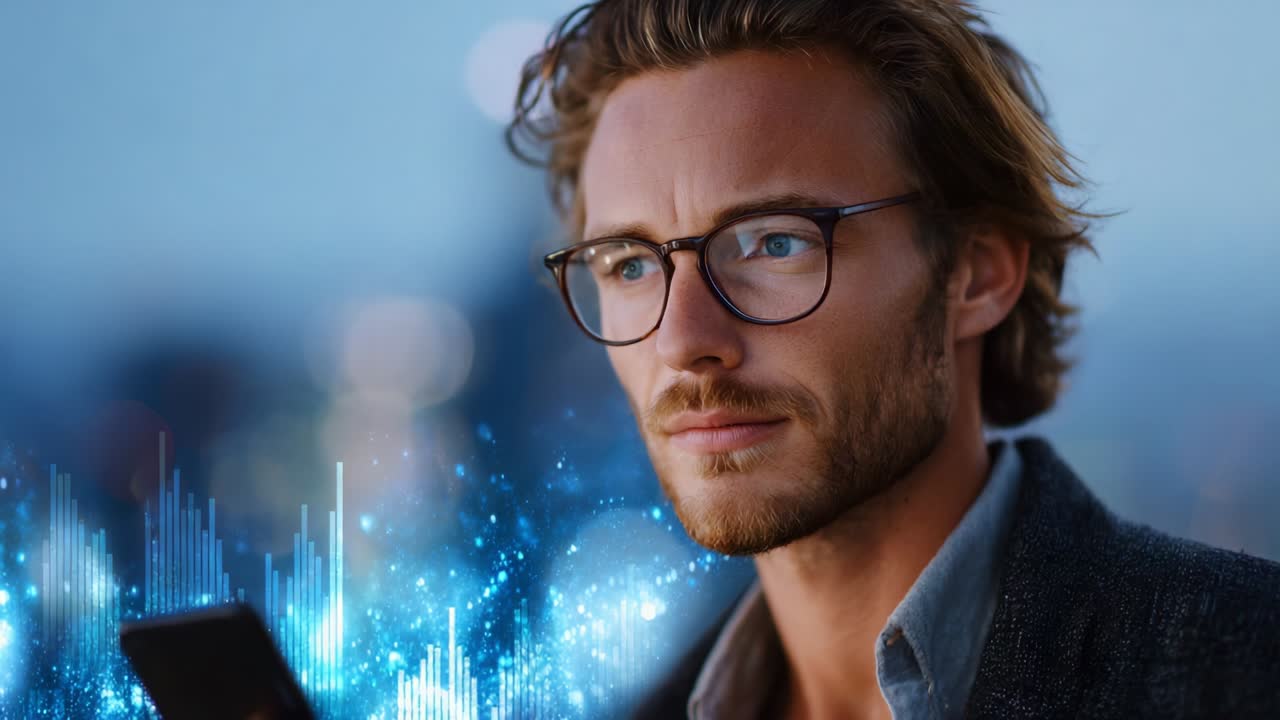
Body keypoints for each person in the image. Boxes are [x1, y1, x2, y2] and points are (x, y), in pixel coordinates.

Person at [507, 1, 1280, 718]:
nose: (682, 340)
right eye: (630, 265)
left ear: (976, 272)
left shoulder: (1243, 664)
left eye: (777, 242)